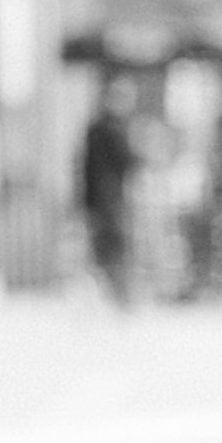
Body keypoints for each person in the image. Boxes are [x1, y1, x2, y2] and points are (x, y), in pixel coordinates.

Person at [79, 84, 139, 304]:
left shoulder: (103, 128)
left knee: (107, 247)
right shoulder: (109, 130)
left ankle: (115, 293)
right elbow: (123, 163)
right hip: (108, 199)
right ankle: (117, 294)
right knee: (111, 246)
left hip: (106, 198)